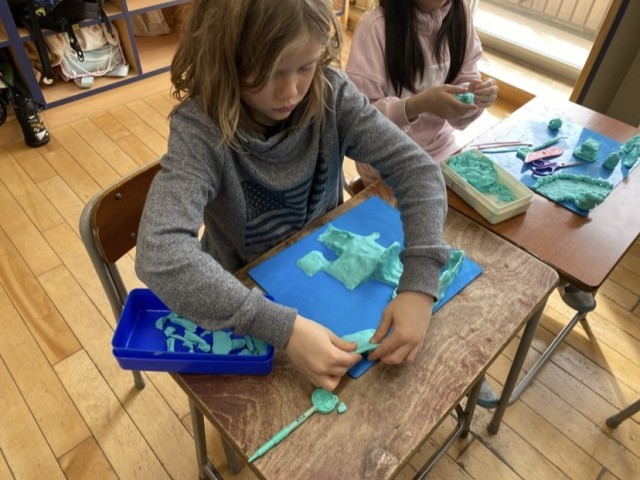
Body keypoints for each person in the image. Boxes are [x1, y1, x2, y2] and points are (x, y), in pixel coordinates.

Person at [135, 0, 450, 392]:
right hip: (238, 302)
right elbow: (159, 252)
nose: (290, 91)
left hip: (324, 283)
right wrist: (283, 328)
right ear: (224, 59)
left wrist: (419, 285)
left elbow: (418, 170)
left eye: (305, 66)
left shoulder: (332, 95)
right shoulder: (201, 130)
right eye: (266, 73)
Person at [346, 0, 498, 187]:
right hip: (386, 160)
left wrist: (476, 97)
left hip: (441, 149)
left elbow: (465, 89)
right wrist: (417, 105)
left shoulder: (460, 14)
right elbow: (359, 123)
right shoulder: (374, 28)